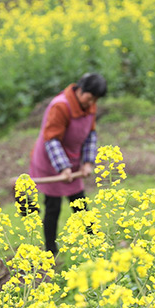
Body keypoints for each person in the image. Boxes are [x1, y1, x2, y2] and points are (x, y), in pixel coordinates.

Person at [28, 72, 107, 256]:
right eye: (90, 96)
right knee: (53, 207)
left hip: (73, 160)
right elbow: (52, 140)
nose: (92, 102)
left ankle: (96, 244)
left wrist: (87, 162)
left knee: (79, 202)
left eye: (96, 99)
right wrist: (64, 168)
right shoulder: (61, 106)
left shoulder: (90, 106)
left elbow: (90, 135)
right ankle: (50, 252)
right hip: (51, 162)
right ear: (81, 89)